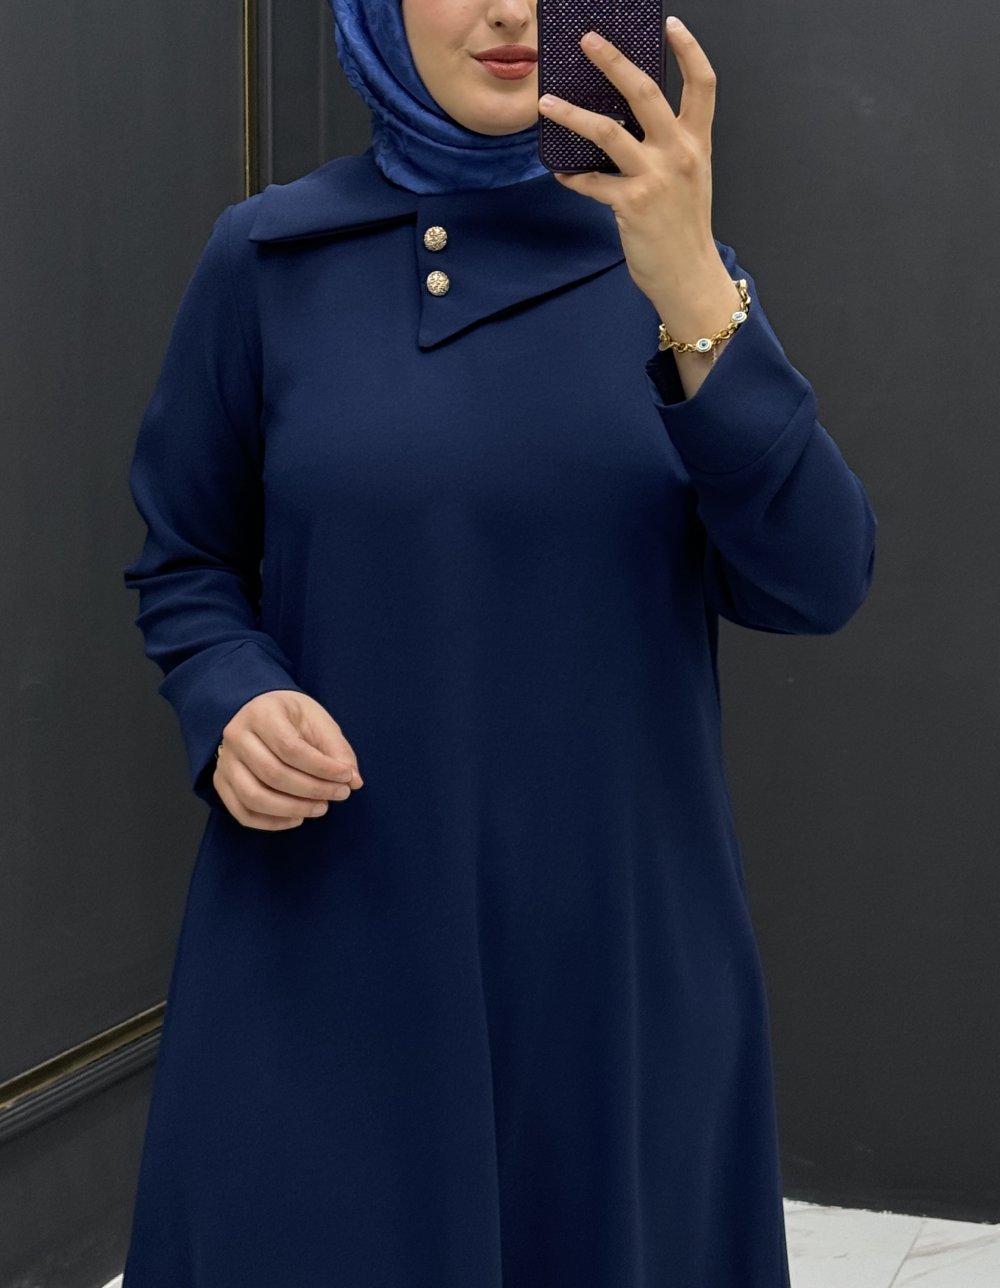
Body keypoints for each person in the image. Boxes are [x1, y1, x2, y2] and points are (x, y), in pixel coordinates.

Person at [120, 0, 877, 1283]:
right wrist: (231, 697)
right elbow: (186, 560)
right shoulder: (267, 257)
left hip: (609, 958)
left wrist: (695, 290)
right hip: (331, 930)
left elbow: (816, 581)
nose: (512, 9)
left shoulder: (671, 266)